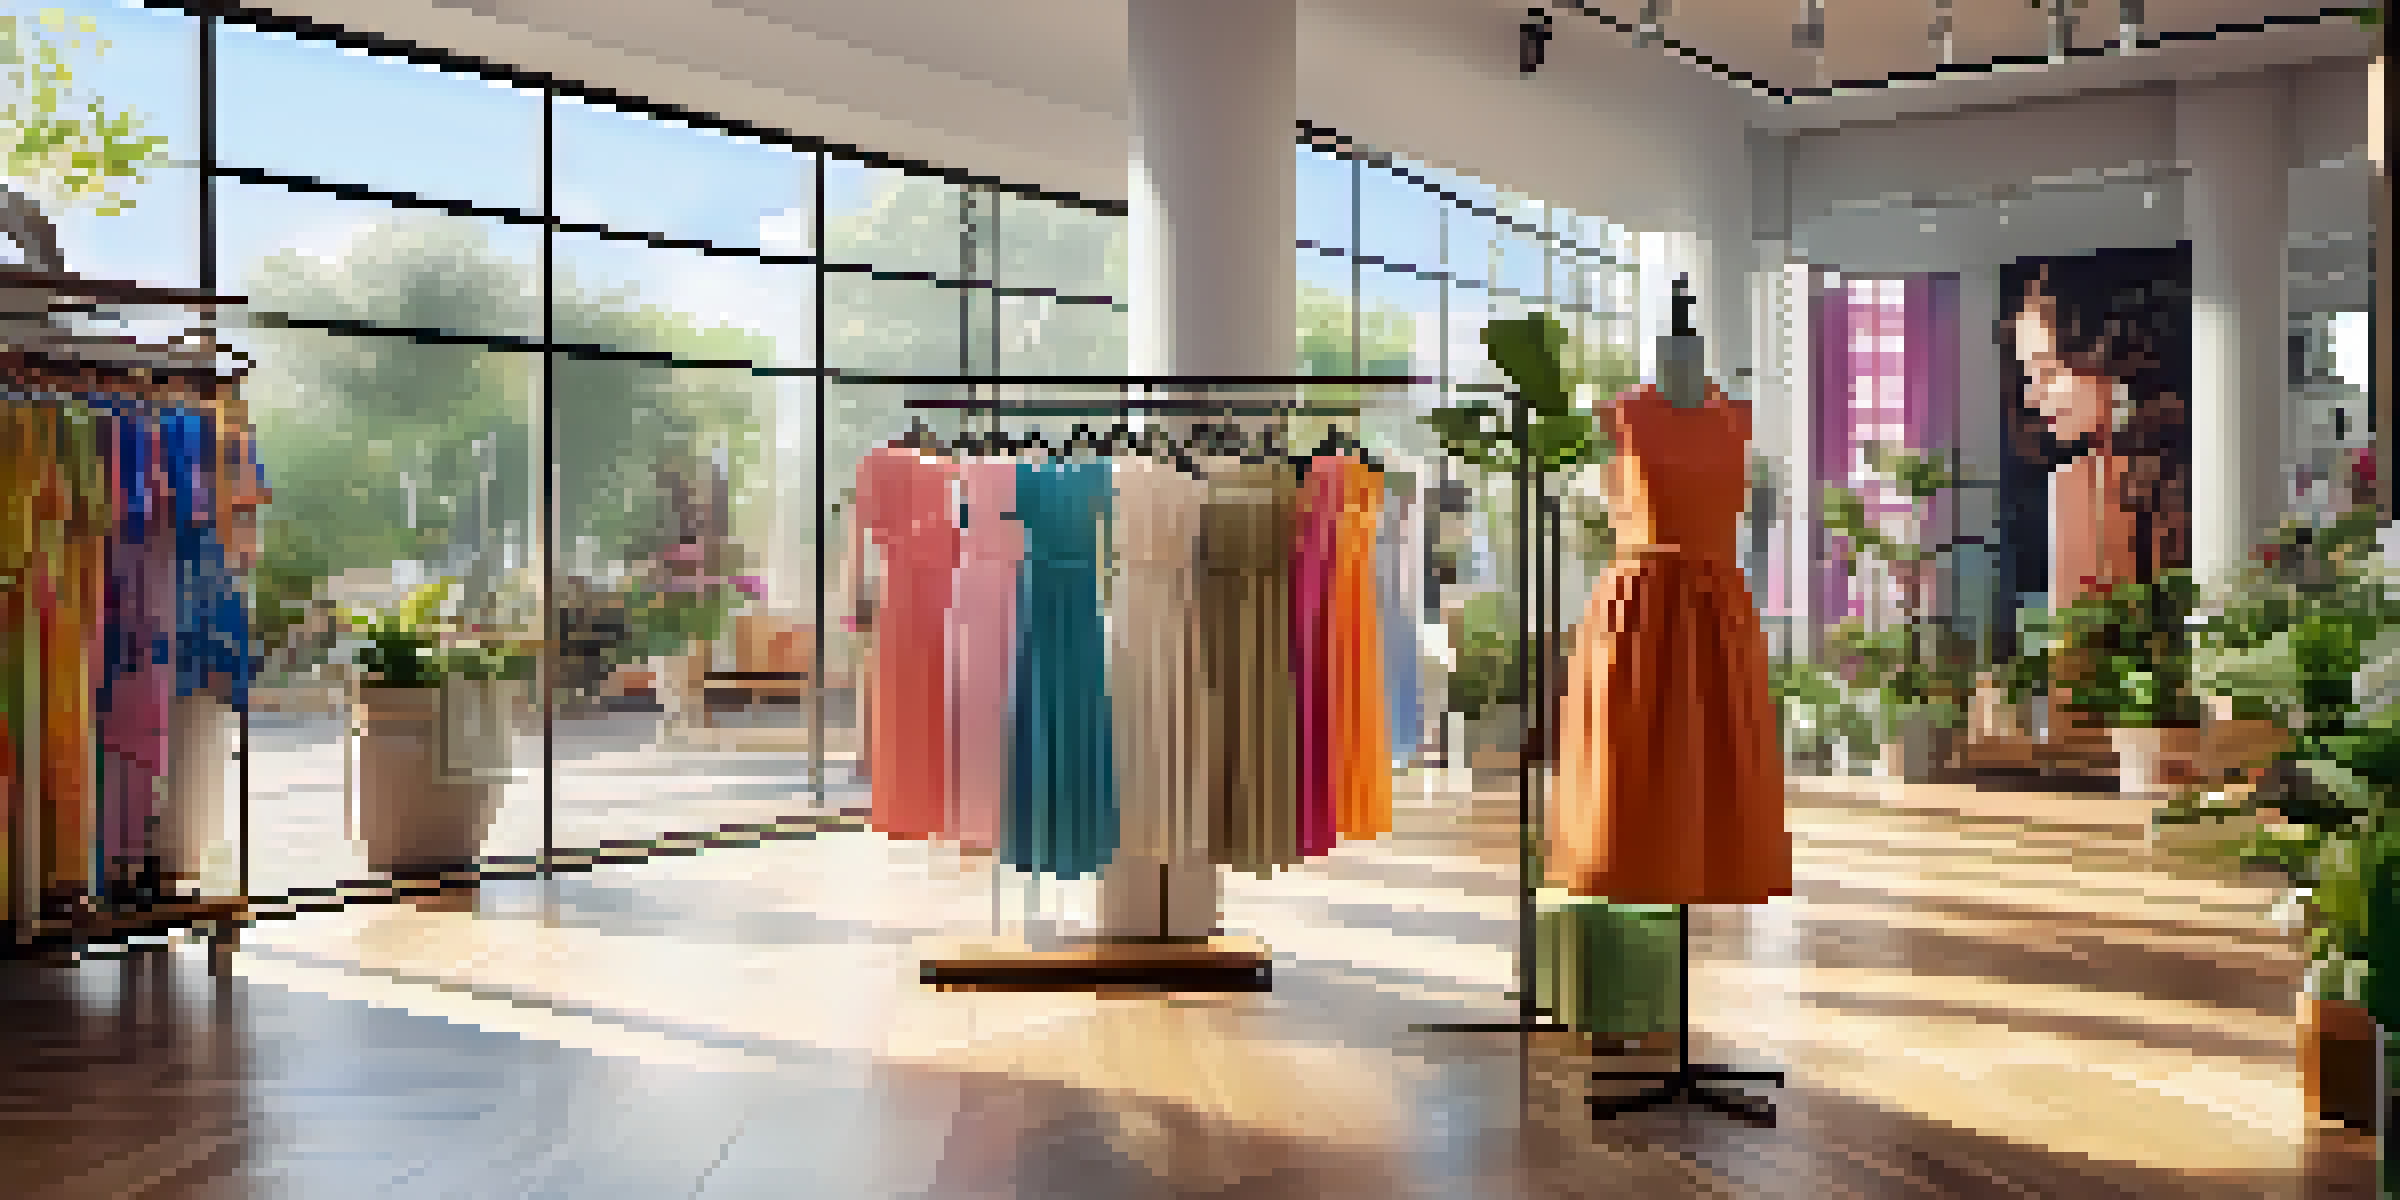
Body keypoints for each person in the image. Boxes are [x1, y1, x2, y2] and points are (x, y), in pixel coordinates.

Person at [2003, 255, 2191, 611]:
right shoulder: (2190, 455)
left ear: (2106, 354)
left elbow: (2081, 647)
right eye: (2030, 375)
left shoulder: (2086, 481)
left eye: (2049, 371)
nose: (2032, 395)